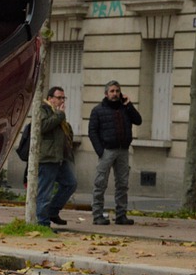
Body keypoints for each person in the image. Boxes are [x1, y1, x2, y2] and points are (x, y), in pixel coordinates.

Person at [87, 80, 142, 225]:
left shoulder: (125, 108)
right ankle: (97, 215)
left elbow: (138, 121)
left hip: (123, 150)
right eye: (112, 91)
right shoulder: (98, 110)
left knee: (123, 184)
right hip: (107, 151)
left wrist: (129, 105)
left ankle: (121, 215)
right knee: (100, 183)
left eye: (117, 91)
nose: (115, 94)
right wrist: (100, 151)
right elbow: (92, 132)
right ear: (106, 94)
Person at [36, 86, 76, 229]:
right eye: (59, 97)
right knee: (45, 191)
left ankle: (52, 212)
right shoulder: (43, 109)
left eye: (63, 98)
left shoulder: (57, 113)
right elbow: (43, 126)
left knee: (70, 183)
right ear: (50, 98)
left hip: (60, 157)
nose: (61, 101)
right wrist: (59, 115)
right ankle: (42, 222)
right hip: (47, 157)